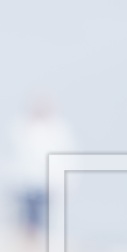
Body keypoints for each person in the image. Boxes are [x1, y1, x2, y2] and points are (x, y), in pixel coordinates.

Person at [9, 97, 75, 237]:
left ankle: (38, 244)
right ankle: (28, 244)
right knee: (25, 216)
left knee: (43, 218)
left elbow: (66, 158)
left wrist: (64, 183)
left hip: (47, 183)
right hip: (25, 183)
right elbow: (13, 157)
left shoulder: (59, 130)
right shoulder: (21, 127)